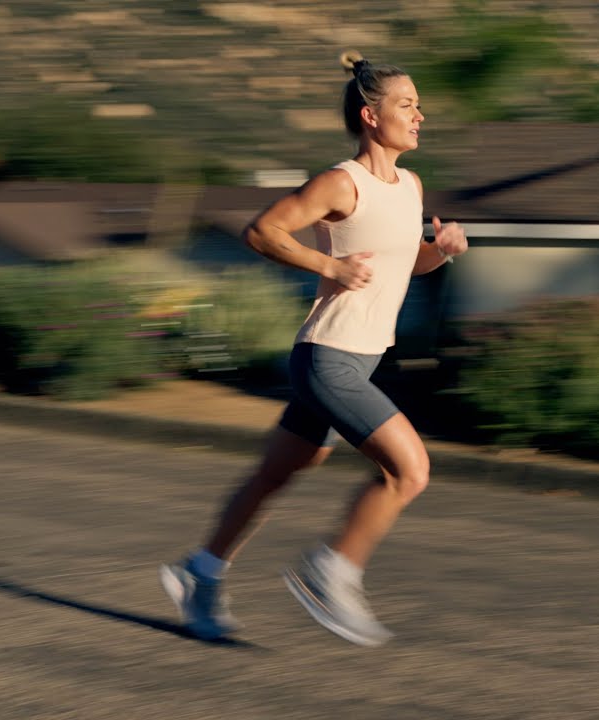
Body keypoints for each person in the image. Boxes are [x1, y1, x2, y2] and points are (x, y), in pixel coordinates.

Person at [159, 51, 468, 646]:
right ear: (370, 115)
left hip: (359, 356)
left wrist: (442, 251)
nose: (420, 115)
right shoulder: (340, 182)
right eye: (407, 104)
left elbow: (408, 266)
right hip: (329, 358)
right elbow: (261, 231)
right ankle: (332, 571)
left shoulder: (410, 186)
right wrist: (329, 263)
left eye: (419, 104)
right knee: (410, 471)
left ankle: (198, 573)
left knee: (279, 472)